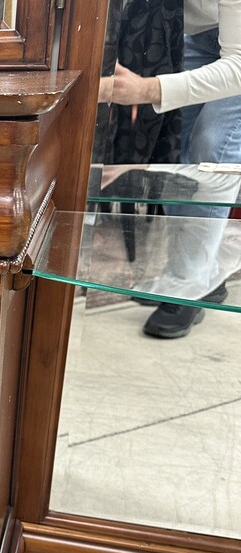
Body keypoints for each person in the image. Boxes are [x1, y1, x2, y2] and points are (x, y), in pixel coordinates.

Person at [106, 0, 241, 337]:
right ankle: (198, 273)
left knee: (213, 148)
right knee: (171, 141)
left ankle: (188, 283)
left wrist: (148, 88)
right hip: (196, 33)